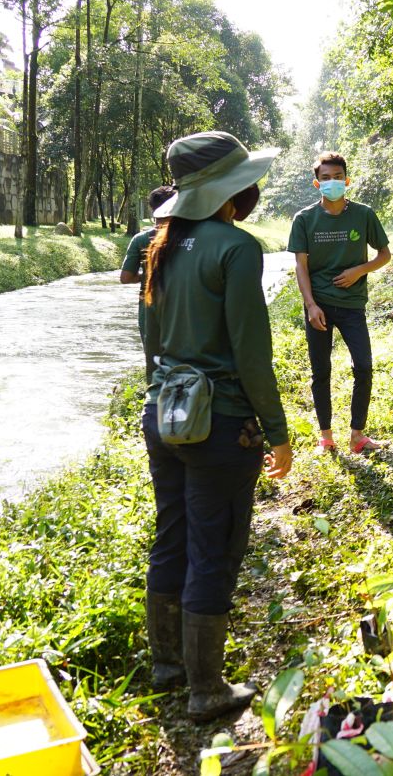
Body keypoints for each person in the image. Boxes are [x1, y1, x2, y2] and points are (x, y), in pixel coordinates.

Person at [141, 130, 293, 722]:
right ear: (232, 191)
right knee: (215, 548)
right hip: (221, 424)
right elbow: (251, 353)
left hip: (164, 416)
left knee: (172, 534)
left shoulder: (161, 243)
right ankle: (206, 690)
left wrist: (163, 399)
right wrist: (277, 432)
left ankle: (167, 666)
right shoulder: (236, 248)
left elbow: (151, 344)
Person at [288, 151, 392, 454]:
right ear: (316, 183)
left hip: (352, 304)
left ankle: (357, 435)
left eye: (337, 177)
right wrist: (310, 305)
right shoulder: (305, 219)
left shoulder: (363, 214)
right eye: (325, 178)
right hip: (319, 306)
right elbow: (300, 266)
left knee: (364, 365)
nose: (332, 183)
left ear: (346, 180)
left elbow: (384, 255)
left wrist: (359, 269)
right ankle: (326, 436)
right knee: (321, 371)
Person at [120, 185, 175, 376]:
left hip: (148, 303)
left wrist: (148, 275)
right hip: (181, 303)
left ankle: (154, 399)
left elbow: (126, 278)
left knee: (154, 360)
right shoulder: (186, 237)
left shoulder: (141, 239)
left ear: (152, 209)